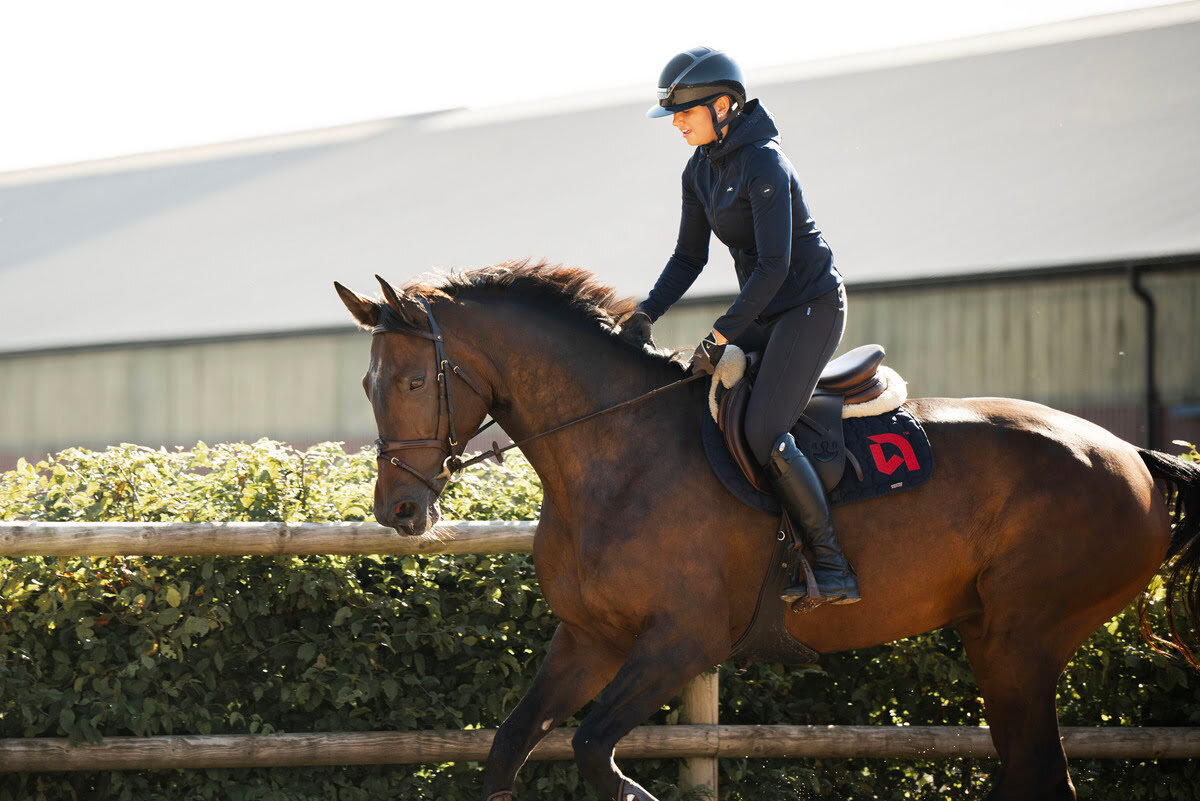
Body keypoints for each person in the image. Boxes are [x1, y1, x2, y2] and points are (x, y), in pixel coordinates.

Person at [619, 46, 860, 606]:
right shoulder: (698, 169)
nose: (676, 123)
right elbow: (687, 258)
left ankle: (831, 564)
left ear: (724, 105)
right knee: (693, 394)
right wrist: (645, 312)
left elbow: (775, 267)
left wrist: (721, 335)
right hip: (766, 309)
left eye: (685, 112)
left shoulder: (766, 164)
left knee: (760, 431)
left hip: (809, 307)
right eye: (673, 115)